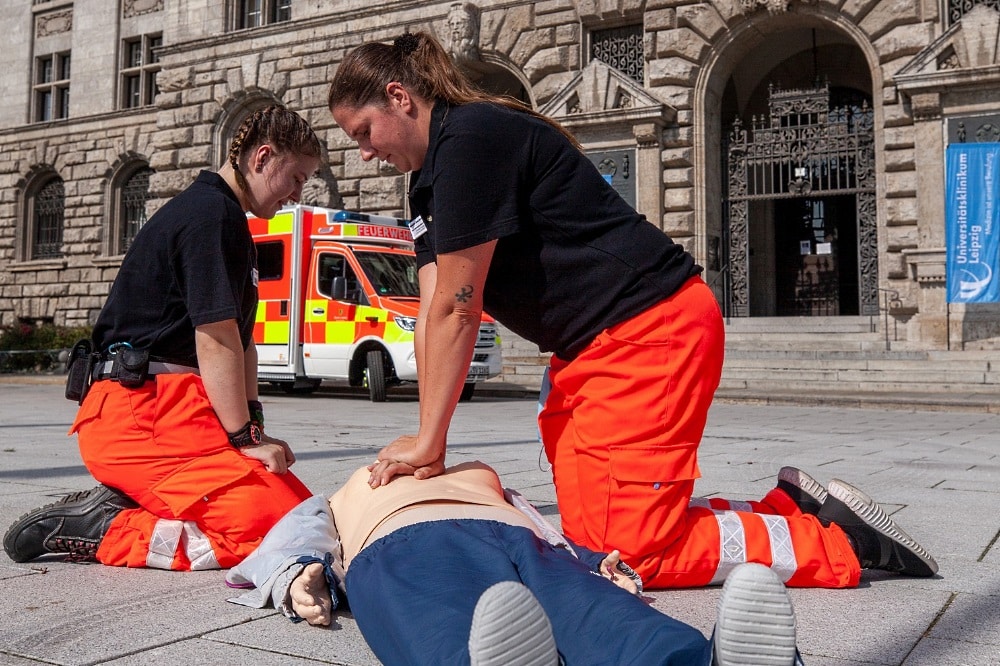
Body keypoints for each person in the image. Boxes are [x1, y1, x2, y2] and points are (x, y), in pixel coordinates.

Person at [325, 31, 938, 589]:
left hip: (648, 330)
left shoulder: (470, 139)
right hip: (592, 349)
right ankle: (788, 510)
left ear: (399, 97)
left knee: (628, 551)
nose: (364, 153)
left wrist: (432, 441)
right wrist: (424, 436)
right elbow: (435, 304)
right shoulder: (430, 178)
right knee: (594, 534)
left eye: (363, 132)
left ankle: (841, 543)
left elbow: (460, 306)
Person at [3, 104, 322, 570]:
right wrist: (244, 436)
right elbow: (215, 339)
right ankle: (106, 530)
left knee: (297, 510)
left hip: (168, 409)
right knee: (271, 524)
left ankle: (136, 505)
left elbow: (242, 343)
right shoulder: (212, 215)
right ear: (262, 157)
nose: (297, 194)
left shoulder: (223, 217)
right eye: (296, 177)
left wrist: (252, 432)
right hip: (139, 414)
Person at [225, 460, 805, 666]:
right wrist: (298, 574)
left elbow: (538, 522)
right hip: (403, 545)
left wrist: (593, 560)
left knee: (599, 614)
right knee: (446, 625)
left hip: (519, 541)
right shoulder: (351, 488)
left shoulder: (480, 475)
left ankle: (706, 662)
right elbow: (297, 530)